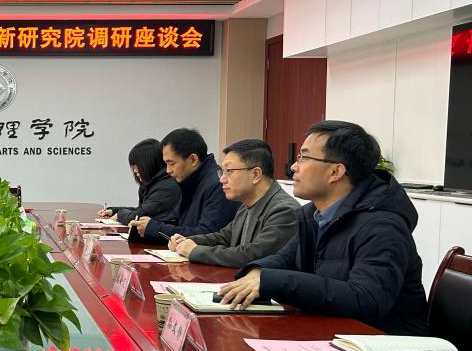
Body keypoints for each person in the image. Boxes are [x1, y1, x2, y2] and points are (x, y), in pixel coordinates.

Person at [219, 121, 429, 336]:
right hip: (335, 333)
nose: (293, 167)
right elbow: (287, 258)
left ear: (335, 172)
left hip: (382, 345)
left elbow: (366, 299)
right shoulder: (315, 213)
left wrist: (271, 281)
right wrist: (258, 271)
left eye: (304, 158)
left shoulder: (382, 226)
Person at [167, 139, 299, 268]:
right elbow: (223, 237)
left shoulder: (284, 210)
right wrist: (187, 241)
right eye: (222, 172)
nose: (222, 179)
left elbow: (252, 255)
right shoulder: (246, 205)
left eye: (229, 171)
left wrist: (194, 251)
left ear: (255, 174)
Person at [129, 128, 239, 243]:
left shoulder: (217, 185)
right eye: (166, 164)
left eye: (171, 163)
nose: (168, 170)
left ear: (193, 160)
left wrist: (155, 229)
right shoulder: (189, 181)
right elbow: (176, 221)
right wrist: (145, 227)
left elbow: (208, 234)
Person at [98, 138, 180, 225]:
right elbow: (141, 209)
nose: (134, 170)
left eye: (137, 165)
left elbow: (139, 216)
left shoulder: (166, 187)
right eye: (133, 166)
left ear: (151, 163)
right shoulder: (153, 184)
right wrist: (114, 211)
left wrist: (119, 215)